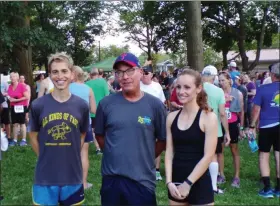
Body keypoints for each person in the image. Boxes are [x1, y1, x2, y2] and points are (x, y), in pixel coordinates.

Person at [95, 52, 166, 206]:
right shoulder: (106, 104)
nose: (125, 76)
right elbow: (99, 136)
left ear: (140, 72)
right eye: (119, 72)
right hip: (112, 180)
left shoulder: (155, 105)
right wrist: (114, 153)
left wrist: (145, 155)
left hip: (142, 181)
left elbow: (162, 139)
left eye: (129, 70)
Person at [28, 52, 89, 205]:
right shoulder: (38, 105)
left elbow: (82, 134)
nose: (60, 76)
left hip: (72, 175)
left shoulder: (81, 105)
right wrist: (46, 156)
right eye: (55, 72)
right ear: (49, 75)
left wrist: (70, 153)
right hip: (45, 177)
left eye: (64, 71)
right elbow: (33, 136)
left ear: (72, 74)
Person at [165, 68, 218, 205]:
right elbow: (169, 153)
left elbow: (208, 156)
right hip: (176, 181)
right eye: (178, 87)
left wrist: (188, 184)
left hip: (199, 181)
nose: (181, 92)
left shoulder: (208, 118)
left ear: (198, 88)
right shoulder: (171, 118)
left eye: (187, 87)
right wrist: (169, 182)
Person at [250, 62, 280, 198]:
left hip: (267, 126)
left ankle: (267, 188)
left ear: (272, 75)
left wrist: (251, 125)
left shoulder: (263, 88)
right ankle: (279, 188)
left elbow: (256, 109)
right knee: (279, 155)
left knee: (264, 155)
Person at [201, 65, 231, 194]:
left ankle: (198, 183)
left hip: (198, 127)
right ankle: (213, 186)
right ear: (214, 77)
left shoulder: (197, 89)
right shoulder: (219, 91)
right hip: (215, 129)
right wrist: (227, 132)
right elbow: (223, 114)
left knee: (199, 155)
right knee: (212, 156)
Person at [69, 65, 97, 190]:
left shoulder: (67, 88)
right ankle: (84, 183)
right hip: (85, 124)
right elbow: (94, 110)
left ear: (73, 74)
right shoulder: (88, 89)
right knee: (83, 153)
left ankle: (69, 182)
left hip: (68, 123)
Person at [140, 65, 166, 181]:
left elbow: (162, 102)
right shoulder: (137, 85)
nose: (144, 76)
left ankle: (156, 170)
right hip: (140, 119)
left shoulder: (157, 86)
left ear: (151, 75)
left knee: (157, 142)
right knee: (141, 143)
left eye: (146, 73)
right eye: (142, 73)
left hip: (154, 119)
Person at [218, 72, 244, 188]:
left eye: (223, 80)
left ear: (229, 80)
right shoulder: (218, 93)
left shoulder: (237, 93)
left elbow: (241, 112)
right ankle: (221, 175)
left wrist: (242, 127)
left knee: (234, 149)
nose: (221, 83)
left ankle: (237, 176)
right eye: (219, 80)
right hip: (220, 124)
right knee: (220, 150)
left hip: (233, 123)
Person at [85, 68, 109, 155]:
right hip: (103, 109)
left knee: (94, 130)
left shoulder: (86, 84)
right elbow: (107, 95)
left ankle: (98, 148)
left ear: (90, 75)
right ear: (98, 74)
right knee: (106, 128)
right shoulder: (103, 82)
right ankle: (105, 146)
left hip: (92, 110)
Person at [7, 72, 29, 146]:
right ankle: (15, 140)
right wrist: (9, 98)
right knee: (14, 124)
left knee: (22, 123)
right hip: (13, 107)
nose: (12, 78)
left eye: (14, 76)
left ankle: (23, 140)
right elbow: (9, 96)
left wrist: (15, 100)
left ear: (17, 78)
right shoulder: (10, 86)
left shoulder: (21, 86)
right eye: (11, 77)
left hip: (22, 106)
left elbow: (27, 97)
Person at [0, 78, 11, 144]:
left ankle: (8, 137)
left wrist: (5, 94)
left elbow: (9, 92)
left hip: (4, 106)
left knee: (6, 122)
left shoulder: (4, 83)